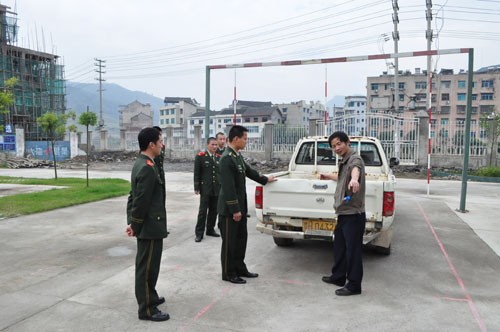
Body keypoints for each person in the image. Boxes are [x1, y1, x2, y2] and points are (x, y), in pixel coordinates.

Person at [217, 125, 276, 284]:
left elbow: (249, 171)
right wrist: (235, 209)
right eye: (244, 138)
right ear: (236, 139)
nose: (246, 141)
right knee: (230, 243)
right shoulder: (226, 159)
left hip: (239, 208)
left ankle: (240, 268)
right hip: (230, 210)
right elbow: (228, 188)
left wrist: (265, 179)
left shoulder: (236, 156)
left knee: (241, 239)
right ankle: (229, 273)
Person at [126, 127, 169, 321]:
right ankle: (147, 309)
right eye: (160, 141)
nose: (162, 144)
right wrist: (134, 225)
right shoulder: (146, 168)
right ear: (151, 144)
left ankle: (150, 297)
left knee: (152, 267)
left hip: (151, 226)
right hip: (149, 227)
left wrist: (132, 223)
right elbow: (139, 200)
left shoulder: (144, 163)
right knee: (146, 270)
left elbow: (133, 197)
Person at [320, 131, 366, 296]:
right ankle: (338, 276)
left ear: (348, 143)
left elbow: (355, 170)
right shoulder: (344, 161)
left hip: (353, 214)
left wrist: (355, 179)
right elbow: (342, 176)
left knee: (352, 251)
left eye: (339, 144)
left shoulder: (354, 159)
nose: (336, 148)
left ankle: (354, 285)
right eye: (333, 146)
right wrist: (328, 176)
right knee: (340, 246)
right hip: (343, 213)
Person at [194, 137, 221, 242]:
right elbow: (197, 173)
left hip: (216, 188)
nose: (215, 147)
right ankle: (199, 233)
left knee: (214, 210)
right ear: (207, 145)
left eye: (216, 145)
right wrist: (196, 187)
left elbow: (219, 173)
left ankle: (210, 229)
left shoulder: (219, 157)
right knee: (203, 211)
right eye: (212, 145)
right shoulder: (200, 157)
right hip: (205, 188)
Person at [153, 126, 166, 202]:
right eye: (159, 135)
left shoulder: (162, 147)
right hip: (154, 175)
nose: (161, 137)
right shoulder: (149, 147)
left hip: (161, 176)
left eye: (161, 134)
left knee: (162, 197)